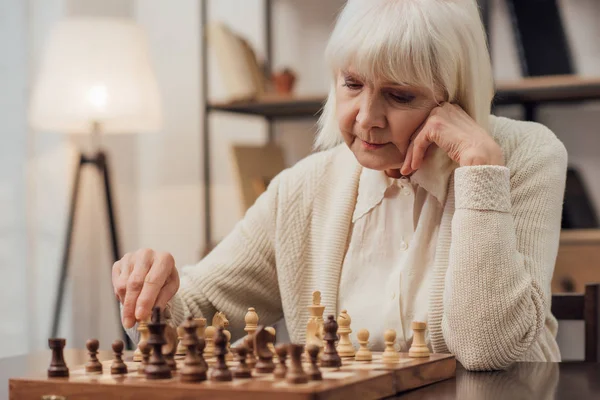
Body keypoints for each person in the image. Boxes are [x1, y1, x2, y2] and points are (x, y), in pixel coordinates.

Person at [112, 0, 566, 371]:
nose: (366, 117)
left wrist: (479, 171)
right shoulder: (304, 188)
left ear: (456, 97)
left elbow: (489, 350)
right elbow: (201, 309)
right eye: (352, 84)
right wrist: (155, 295)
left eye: (400, 94)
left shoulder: (524, 156)